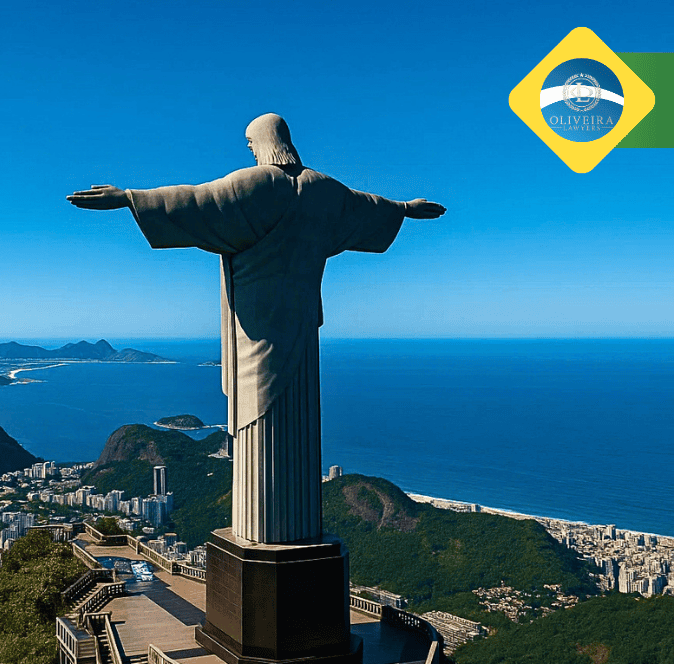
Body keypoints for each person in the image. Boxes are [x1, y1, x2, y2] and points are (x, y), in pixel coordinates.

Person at [67, 113, 444, 543]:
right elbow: (365, 205)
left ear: (263, 142)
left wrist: (130, 197)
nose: (248, 149)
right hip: (303, 331)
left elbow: (195, 200)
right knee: (294, 421)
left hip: (255, 333)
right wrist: (405, 209)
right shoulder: (324, 190)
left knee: (256, 418)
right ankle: (292, 534)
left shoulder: (256, 185)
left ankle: (263, 539)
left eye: (250, 142)